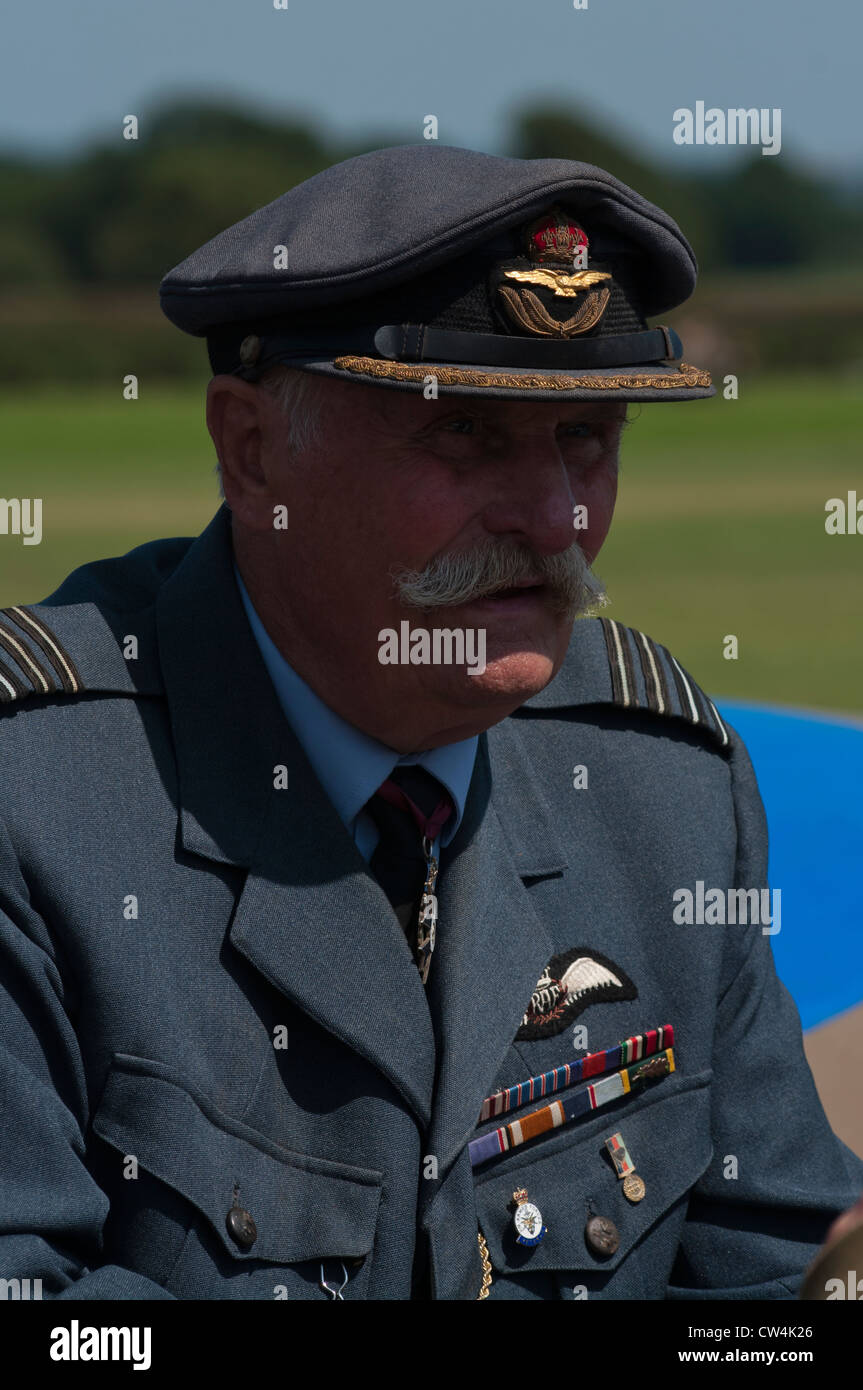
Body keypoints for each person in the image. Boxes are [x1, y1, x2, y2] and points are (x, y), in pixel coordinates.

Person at [0, 144, 860, 1301]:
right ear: (252, 451)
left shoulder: (660, 786)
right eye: (465, 435)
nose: (555, 517)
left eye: (585, 441)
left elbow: (766, 1279)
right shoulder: (38, 799)